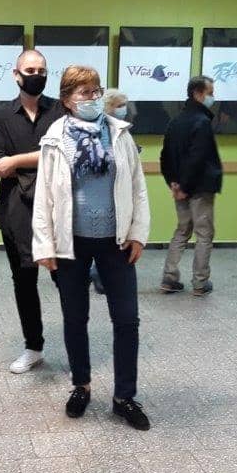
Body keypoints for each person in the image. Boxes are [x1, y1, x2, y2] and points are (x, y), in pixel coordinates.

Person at [32, 66, 151, 430]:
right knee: (75, 318)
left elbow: (137, 186)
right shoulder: (55, 138)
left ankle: (124, 396)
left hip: (116, 242)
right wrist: (44, 245)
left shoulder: (119, 134)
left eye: (96, 91)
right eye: (84, 93)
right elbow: (44, 197)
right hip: (71, 244)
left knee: (127, 319)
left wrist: (138, 233)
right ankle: (81, 386)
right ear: (67, 99)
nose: (92, 98)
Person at [0, 49, 63, 373]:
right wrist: (41, 159)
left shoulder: (60, 110)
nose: (36, 75)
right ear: (16, 75)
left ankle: (78, 349)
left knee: (65, 281)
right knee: (24, 282)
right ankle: (33, 348)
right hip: (16, 211)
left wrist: (16, 160)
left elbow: (64, 154)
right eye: (30, 70)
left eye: (41, 70)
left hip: (57, 210)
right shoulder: (1, 115)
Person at [159, 75, 222, 296]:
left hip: (179, 185)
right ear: (197, 94)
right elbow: (198, 157)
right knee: (204, 233)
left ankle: (169, 278)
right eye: (210, 93)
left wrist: (174, 183)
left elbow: (165, 155)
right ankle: (200, 282)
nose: (213, 97)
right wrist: (185, 186)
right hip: (199, 187)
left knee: (182, 230)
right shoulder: (202, 122)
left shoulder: (176, 120)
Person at [90, 88, 134, 294]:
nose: (123, 109)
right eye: (119, 106)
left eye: (124, 105)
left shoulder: (123, 131)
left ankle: (99, 273)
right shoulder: (97, 129)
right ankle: (98, 274)